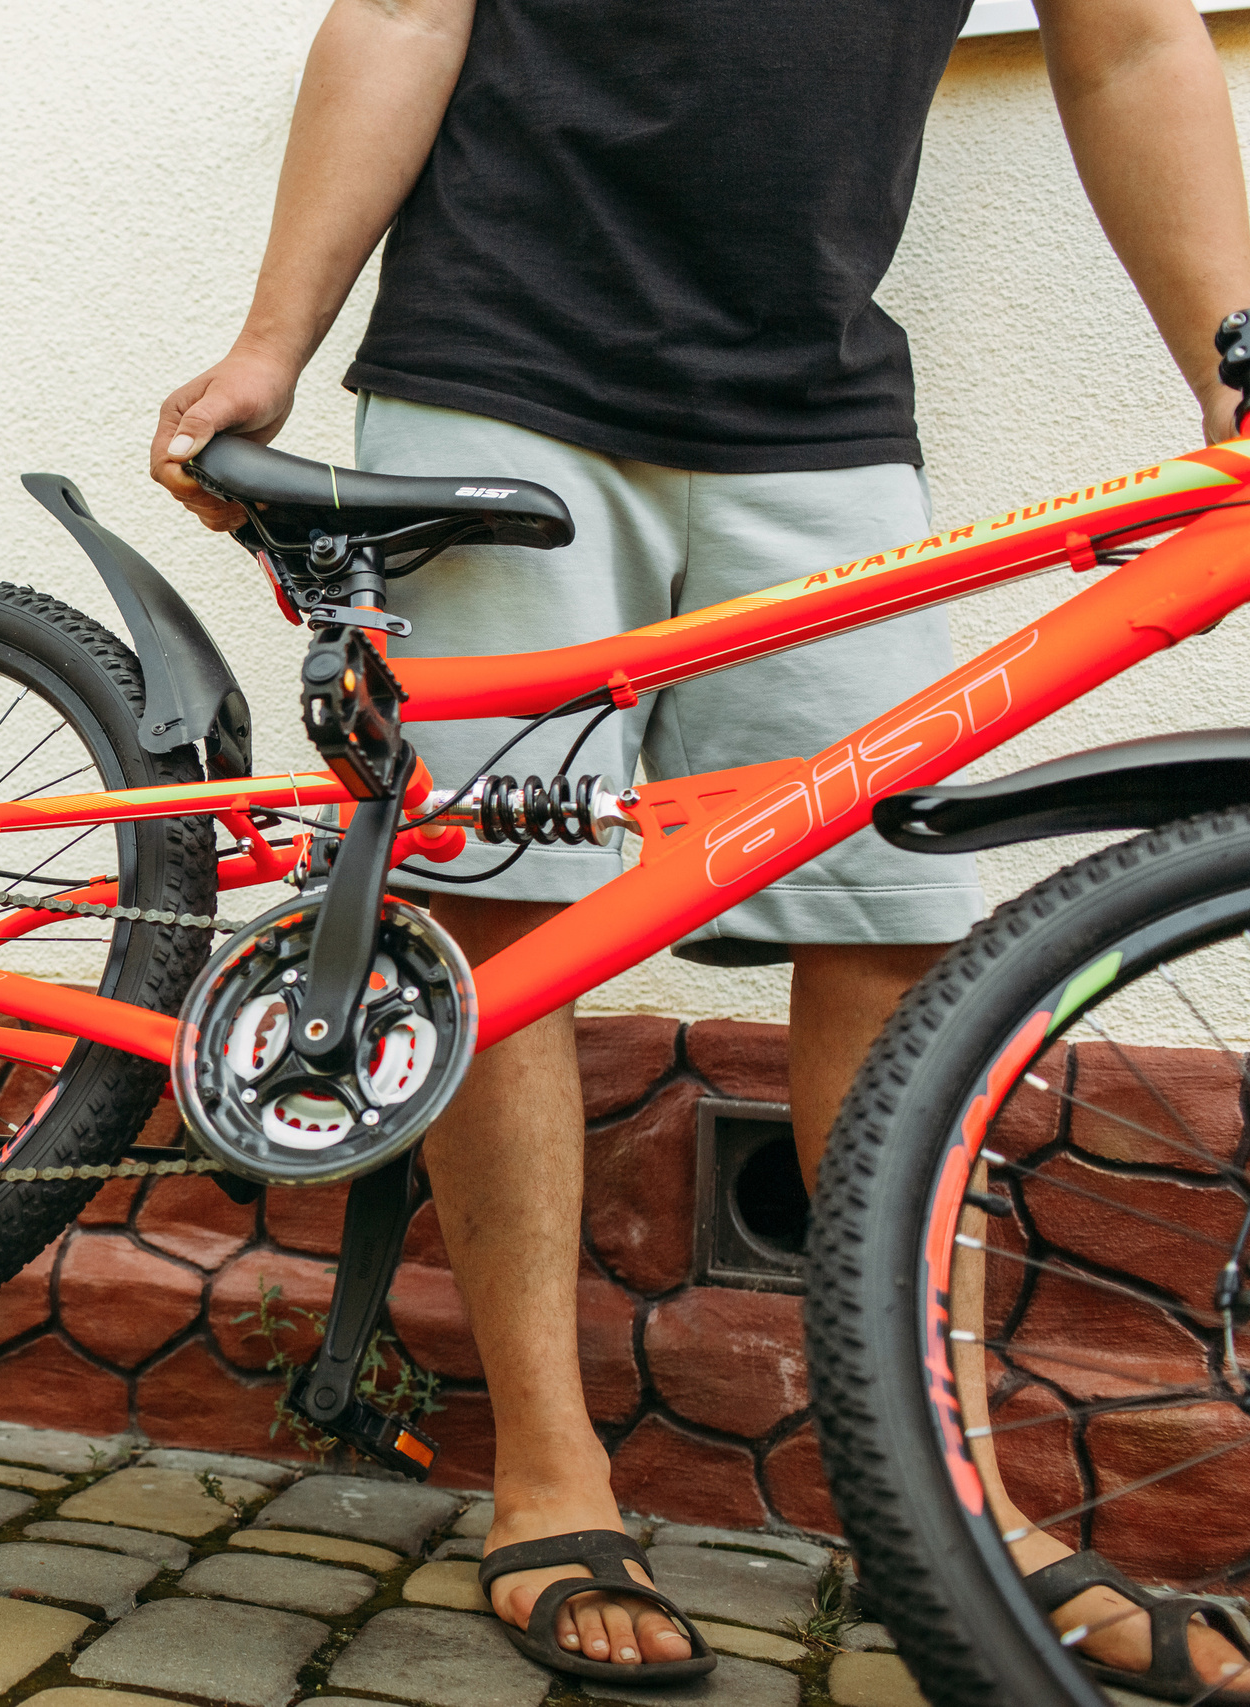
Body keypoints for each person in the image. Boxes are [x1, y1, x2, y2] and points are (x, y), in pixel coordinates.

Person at [152, 0, 1250, 1689]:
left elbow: (1131, 48)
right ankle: (548, 1467)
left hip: (816, 409)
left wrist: (1235, 363)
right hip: (499, 374)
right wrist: (271, 342)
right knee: (507, 922)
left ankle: (952, 1497)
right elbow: (401, 6)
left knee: (894, 925)